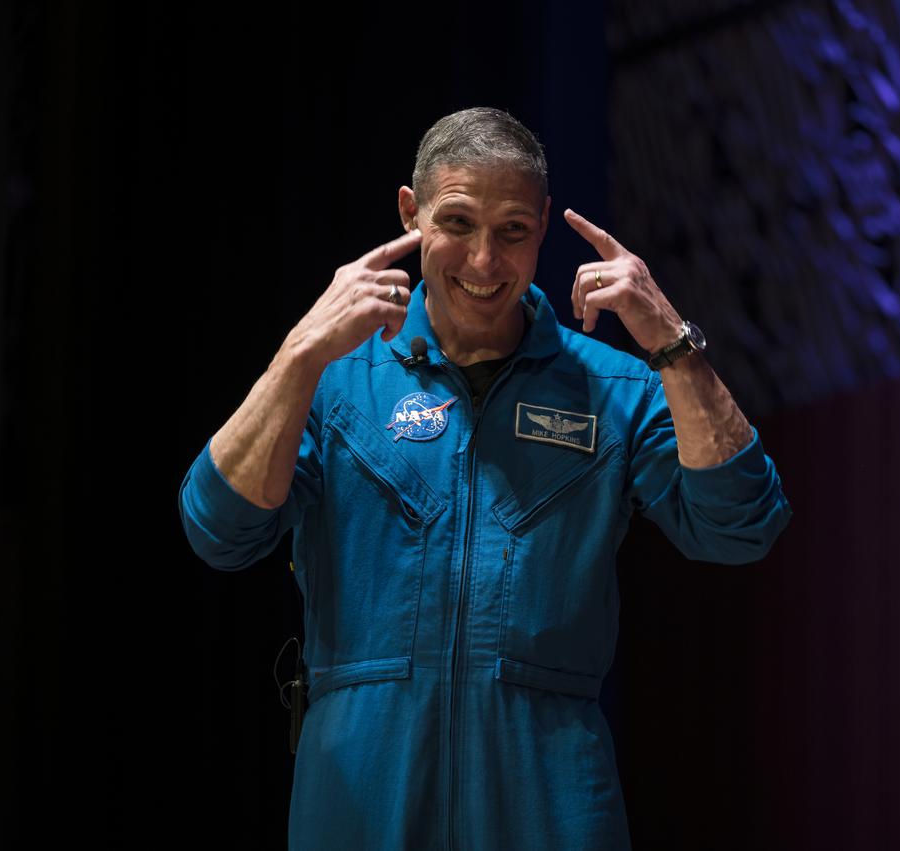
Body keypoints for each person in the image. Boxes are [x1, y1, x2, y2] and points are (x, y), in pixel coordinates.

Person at [178, 107, 791, 850]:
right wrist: (299, 355)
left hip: (548, 808)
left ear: (542, 227)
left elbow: (742, 526)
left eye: (512, 232)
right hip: (361, 805)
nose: (482, 262)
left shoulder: (615, 388)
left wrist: (670, 339)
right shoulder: (335, 383)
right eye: (459, 223)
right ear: (412, 212)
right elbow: (219, 530)